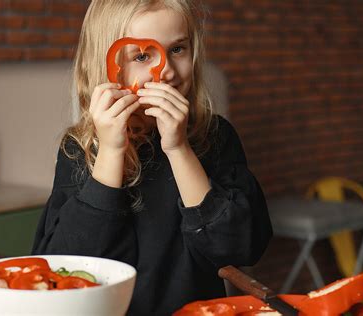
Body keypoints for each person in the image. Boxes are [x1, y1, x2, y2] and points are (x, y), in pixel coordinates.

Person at [32, 0, 273, 315]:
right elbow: (65, 269)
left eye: (177, 50)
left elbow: (241, 247)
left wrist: (178, 148)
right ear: (106, 65)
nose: (168, 72)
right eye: (143, 56)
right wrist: (112, 151)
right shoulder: (80, 149)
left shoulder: (216, 137)